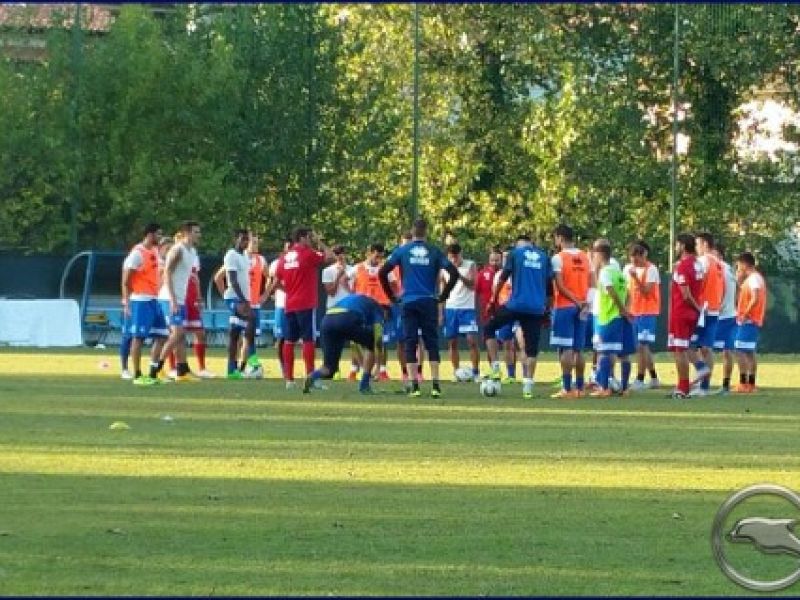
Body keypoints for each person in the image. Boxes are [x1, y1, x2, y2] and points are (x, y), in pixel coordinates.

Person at [378, 218, 459, 398]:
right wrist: (443, 295)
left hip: (408, 301)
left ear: (412, 231)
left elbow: (382, 272)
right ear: (426, 231)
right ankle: (436, 385)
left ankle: (414, 386)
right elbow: (454, 273)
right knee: (431, 342)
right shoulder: (434, 251)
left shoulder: (402, 251)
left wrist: (392, 296)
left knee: (410, 341)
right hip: (429, 301)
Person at [483, 234, 551, 399]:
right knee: (531, 350)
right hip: (536, 308)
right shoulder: (544, 257)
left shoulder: (515, 254)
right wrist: (547, 308)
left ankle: (496, 368)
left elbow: (503, 278)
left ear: (519, 244)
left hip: (516, 305)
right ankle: (528, 388)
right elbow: (549, 286)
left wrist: (493, 300)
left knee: (489, 328)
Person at [276, 227, 334, 389]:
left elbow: (276, 281)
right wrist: (320, 242)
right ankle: (311, 377)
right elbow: (330, 257)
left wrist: (290, 291)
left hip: (290, 303)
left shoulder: (284, 257)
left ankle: (289, 380)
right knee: (308, 340)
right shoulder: (308, 254)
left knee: (289, 341)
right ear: (302, 238)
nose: (310, 240)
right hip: (306, 303)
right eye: (309, 237)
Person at [303, 293, 386, 394]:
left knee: (329, 368)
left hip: (327, 320)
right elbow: (378, 340)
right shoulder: (378, 310)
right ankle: (364, 385)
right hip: (346, 318)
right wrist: (378, 367)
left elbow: (354, 343)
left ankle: (312, 376)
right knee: (371, 343)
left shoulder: (360, 301)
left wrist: (362, 364)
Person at [120, 223, 169, 385]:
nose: (160, 237)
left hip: (154, 300)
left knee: (162, 335)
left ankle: (153, 374)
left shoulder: (154, 250)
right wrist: (127, 302)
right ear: (149, 234)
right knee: (138, 338)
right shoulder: (137, 253)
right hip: (140, 301)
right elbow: (126, 280)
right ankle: (137, 374)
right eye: (158, 234)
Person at [155, 221, 201, 382]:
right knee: (177, 333)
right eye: (196, 232)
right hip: (169, 298)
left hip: (180, 299)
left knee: (181, 336)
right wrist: (173, 300)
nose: (199, 235)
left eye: (199, 232)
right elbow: (167, 273)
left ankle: (182, 371)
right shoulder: (177, 250)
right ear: (186, 233)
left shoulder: (192, 251)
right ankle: (157, 368)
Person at [549, 225, 591, 399]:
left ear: (559, 237)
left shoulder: (558, 258)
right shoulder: (585, 256)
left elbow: (560, 285)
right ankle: (580, 387)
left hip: (565, 306)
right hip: (583, 306)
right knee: (578, 349)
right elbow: (592, 281)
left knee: (565, 348)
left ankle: (567, 388)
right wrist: (585, 302)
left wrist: (575, 301)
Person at [589, 239, 631, 398]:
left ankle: (604, 387)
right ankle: (624, 388)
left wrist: (622, 309)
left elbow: (611, 291)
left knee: (604, 352)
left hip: (606, 318)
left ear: (600, 254)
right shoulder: (618, 272)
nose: (593, 257)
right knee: (622, 353)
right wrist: (625, 309)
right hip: (617, 318)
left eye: (594, 254)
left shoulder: (605, 272)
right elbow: (628, 293)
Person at [352, 242, 398, 381]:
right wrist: (354, 298)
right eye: (376, 256)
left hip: (380, 308)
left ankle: (381, 370)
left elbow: (395, 286)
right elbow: (346, 282)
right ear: (369, 253)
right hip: (362, 308)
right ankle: (364, 369)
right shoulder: (357, 268)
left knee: (380, 340)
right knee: (358, 340)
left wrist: (390, 301)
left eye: (381, 257)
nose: (378, 259)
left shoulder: (385, 269)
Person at [667, 233, 704, 399]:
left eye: (677, 245)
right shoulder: (697, 264)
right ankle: (701, 368)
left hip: (681, 312)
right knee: (686, 347)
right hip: (690, 313)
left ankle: (683, 388)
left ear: (682, 246)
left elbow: (686, 294)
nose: (675, 248)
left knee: (679, 350)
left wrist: (697, 308)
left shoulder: (683, 266)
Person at [688, 232, 725, 396]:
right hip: (714, 308)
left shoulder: (703, 261)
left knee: (688, 346)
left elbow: (696, 283)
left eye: (697, 244)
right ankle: (704, 386)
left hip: (702, 309)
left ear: (705, 244)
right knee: (706, 348)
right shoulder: (718, 263)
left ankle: (700, 372)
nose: (695, 248)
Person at [440, 243, 480, 382]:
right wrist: (441, 312)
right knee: (452, 342)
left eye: (456, 257)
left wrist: (459, 276)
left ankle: (475, 372)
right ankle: (456, 372)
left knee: (471, 340)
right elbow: (442, 291)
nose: (454, 260)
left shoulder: (470, 265)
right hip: (451, 309)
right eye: (451, 257)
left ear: (461, 254)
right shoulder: (444, 268)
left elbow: (473, 285)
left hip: (467, 308)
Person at [624, 241, 661, 391]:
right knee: (642, 347)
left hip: (647, 312)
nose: (634, 262)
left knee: (642, 345)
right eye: (632, 259)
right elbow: (627, 291)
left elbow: (646, 291)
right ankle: (654, 378)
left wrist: (635, 278)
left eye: (637, 259)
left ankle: (640, 379)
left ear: (643, 256)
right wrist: (626, 309)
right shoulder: (627, 269)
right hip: (634, 312)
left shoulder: (651, 269)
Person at [321, 245, 360, 380]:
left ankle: (354, 369)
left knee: (355, 341)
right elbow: (331, 292)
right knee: (333, 343)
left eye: (342, 253)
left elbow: (356, 288)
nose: (340, 256)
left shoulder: (353, 270)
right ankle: (333, 369)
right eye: (337, 254)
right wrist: (338, 276)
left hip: (350, 309)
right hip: (333, 309)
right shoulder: (327, 271)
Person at [218, 229, 252, 380]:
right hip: (234, 298)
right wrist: (242, 300)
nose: (246, 242)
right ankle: (235, 368)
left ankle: (235, 368)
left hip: (244, 299)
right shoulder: (231, 255)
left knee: (239, 332)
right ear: (236, 239)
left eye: (247, 239)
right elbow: (232, 280)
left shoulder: (245, 256)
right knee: (238, 331)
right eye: (243, 239)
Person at [734, 252, 767, 394]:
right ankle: (751, 383)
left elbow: (755, 298)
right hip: (752, 320)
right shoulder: (756, 278)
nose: (738, 268)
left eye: (738, 266)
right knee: (749, 352)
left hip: (749, 320)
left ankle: (744, 383)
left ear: (744, 264)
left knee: (739, 350)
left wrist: (745, 314)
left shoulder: (753, 279)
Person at [712, 243, 737, 395]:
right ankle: (725, 385)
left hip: (721, 316)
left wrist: (718, 305)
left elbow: (722, 289)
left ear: (719, 255)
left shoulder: (721, 269)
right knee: (727, 351)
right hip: (730, 314)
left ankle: (703, 384)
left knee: (705, 349)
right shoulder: (729, 269)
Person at [266, 239, 292, 378]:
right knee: (281, 338)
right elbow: (272, 282)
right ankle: (284, 368)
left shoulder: (299, 263)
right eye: (287, 247)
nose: (289, 249)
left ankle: (290, 367)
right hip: (282, 304)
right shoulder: (277, 263)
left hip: (295, 305)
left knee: (291, 338)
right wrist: (269, 293)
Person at [242, 233, 267, 374]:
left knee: (250, 336)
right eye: (254, 242)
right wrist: (228, 297)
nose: (256, 245)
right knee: (241, 337)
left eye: (257, 242)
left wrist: (265, 294)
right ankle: (240, 365)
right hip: (242, 304)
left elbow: (270, 277)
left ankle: (250, 364)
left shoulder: (261, 260)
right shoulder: (239, 258)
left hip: (254, 304)